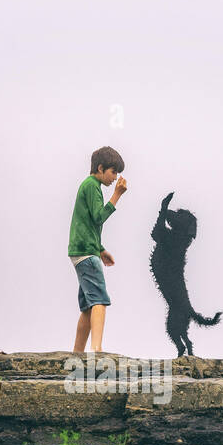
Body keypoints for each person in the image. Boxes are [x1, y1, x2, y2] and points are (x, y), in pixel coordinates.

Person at [68, 146, 127, 352]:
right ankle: (97, 349)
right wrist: (117, 196)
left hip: (82, 249)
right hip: (86, 252)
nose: (114, 178)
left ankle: (77, 353)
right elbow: (98, 217)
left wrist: (100, 249)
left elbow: (88, 223)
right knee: (99, 301)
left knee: (87, 307)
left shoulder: (89, 186)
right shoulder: (92, 185)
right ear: (100, 168)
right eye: (112, 172)